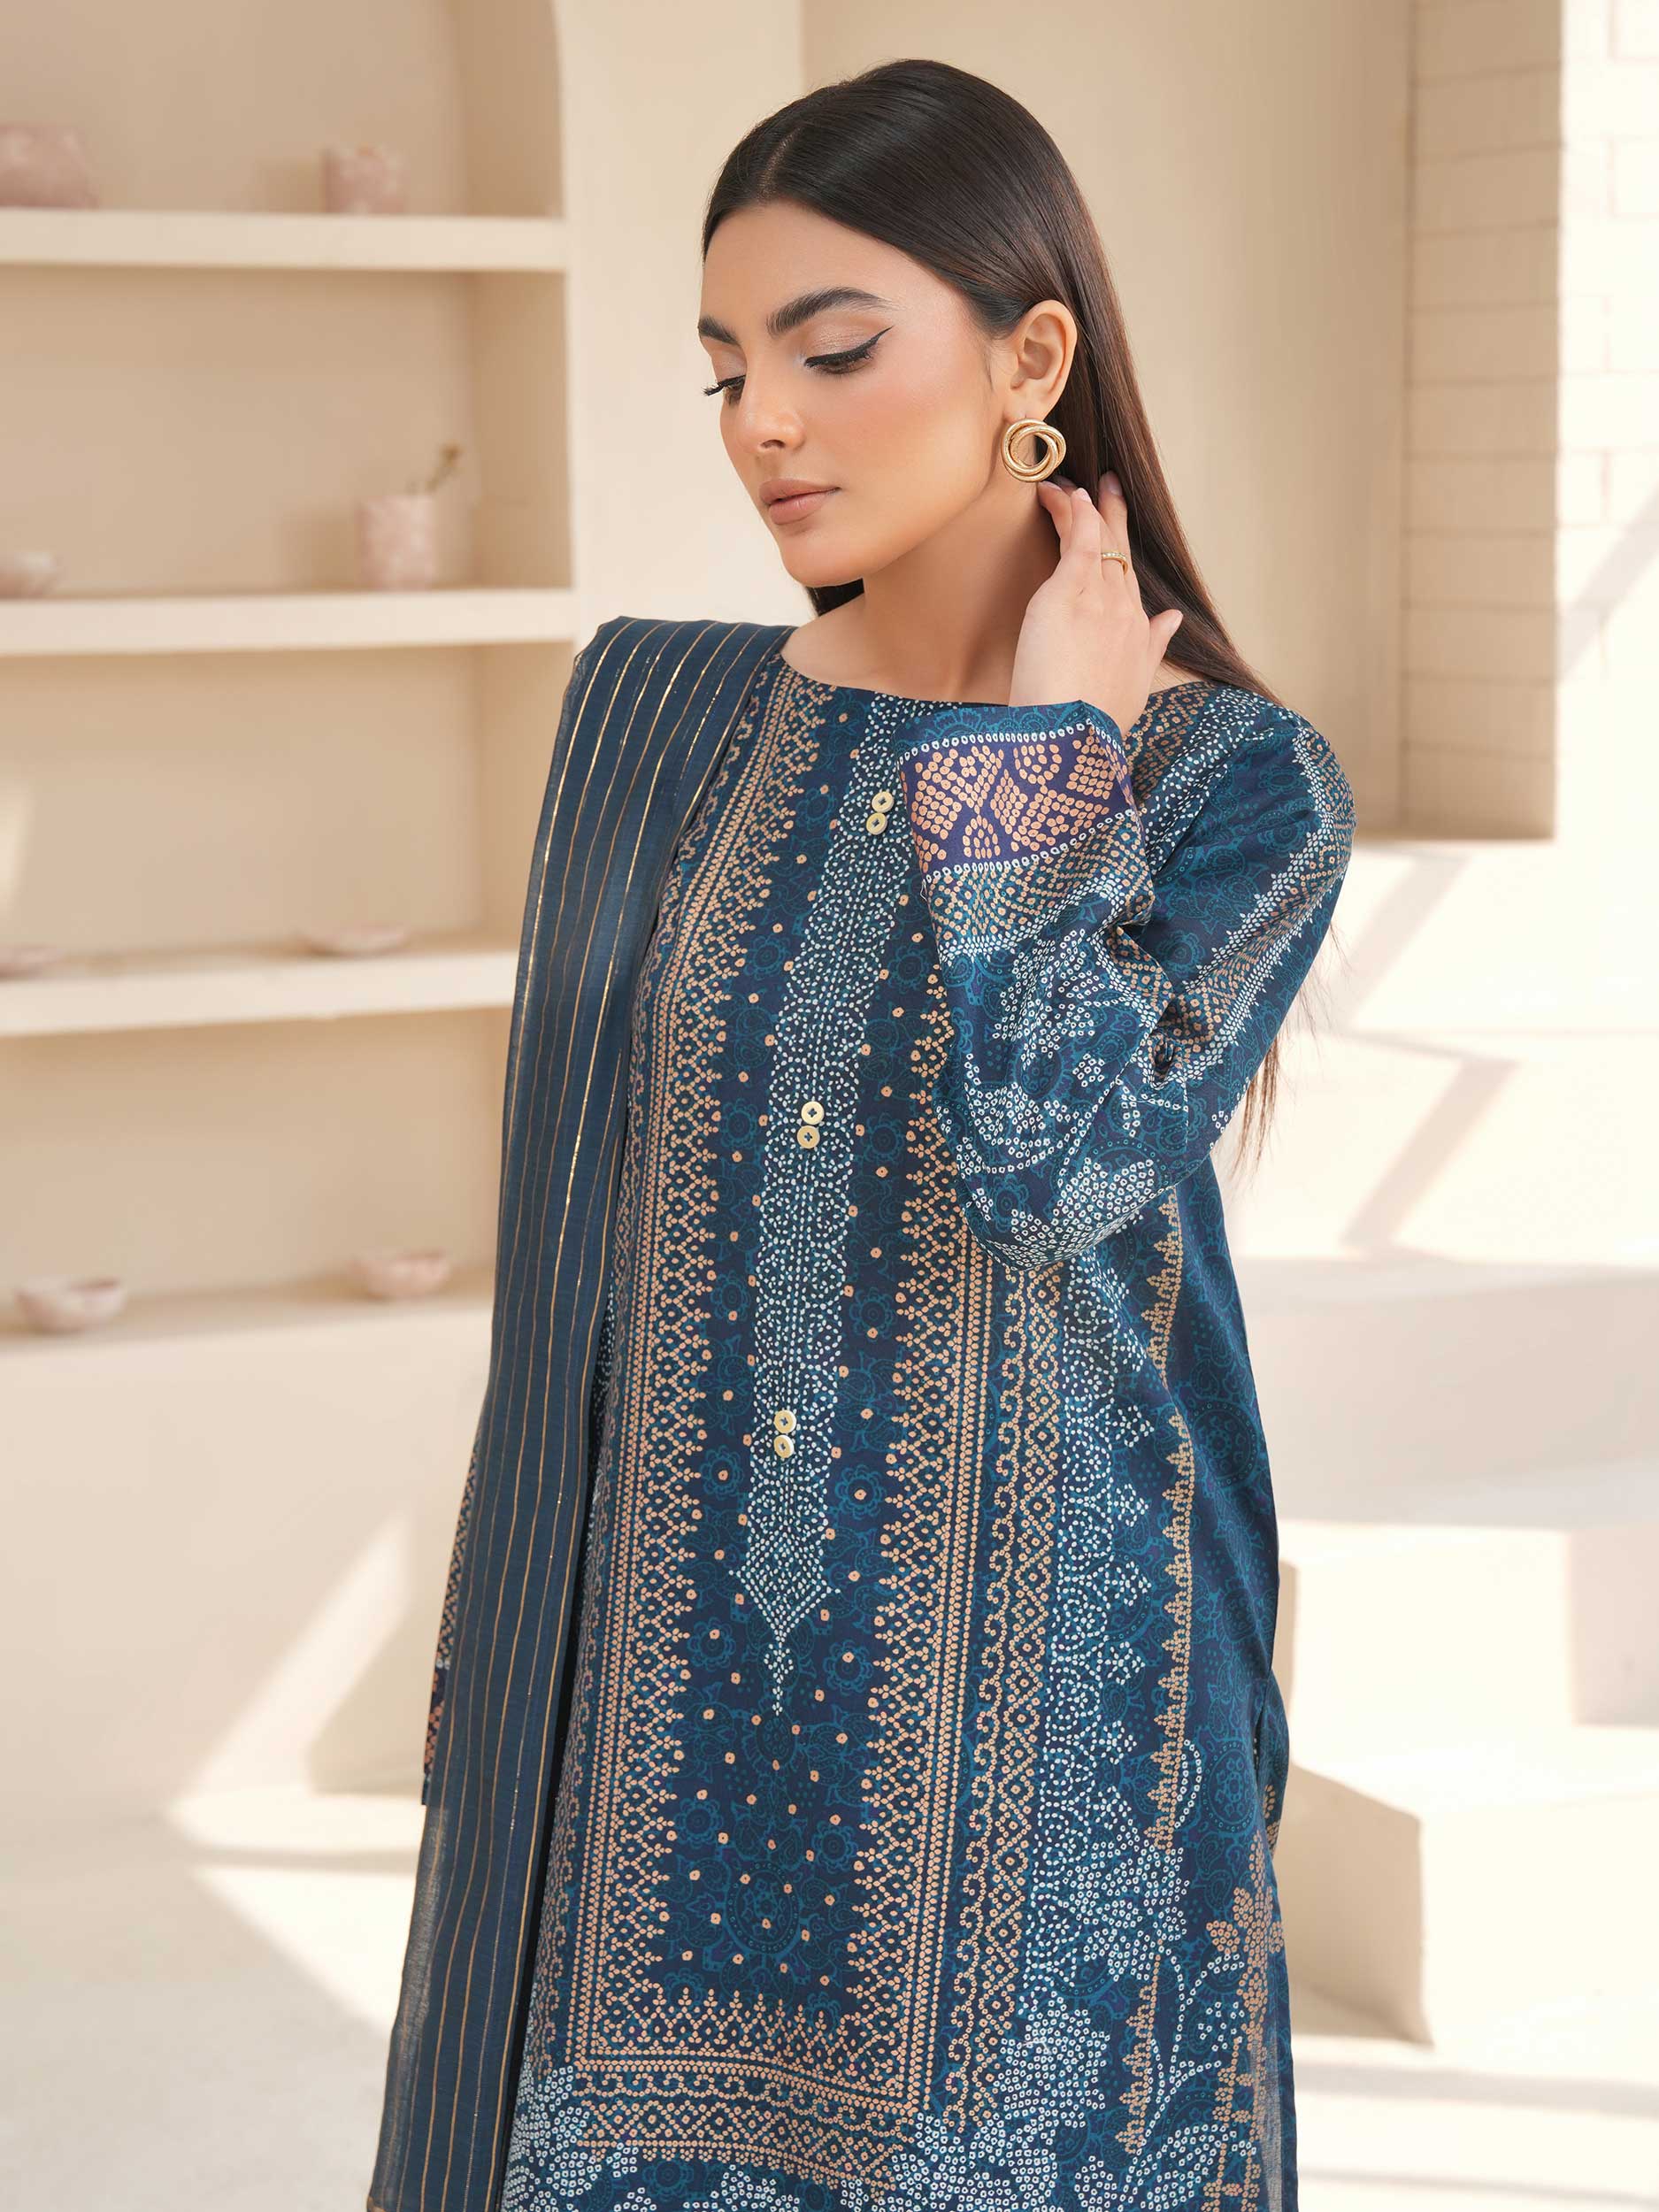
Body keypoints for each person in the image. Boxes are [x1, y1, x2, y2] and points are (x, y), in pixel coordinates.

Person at [368, 56, 1354, 2212]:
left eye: (829, 351)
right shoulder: (658, 723)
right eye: (724, 368)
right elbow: (583, 1260)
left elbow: (1053, 1164)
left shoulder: (1232, 786)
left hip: (1051, 1727)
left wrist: (1043, 756)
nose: (761, 425)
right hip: (658, 1703)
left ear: (1030, 361)